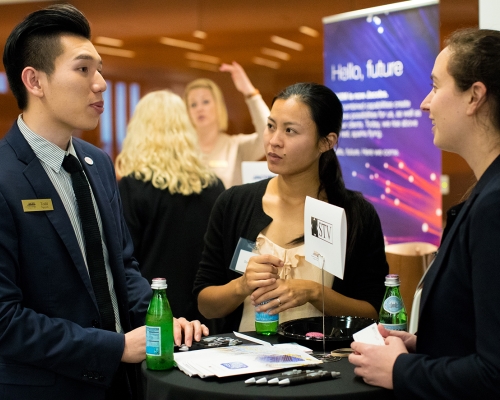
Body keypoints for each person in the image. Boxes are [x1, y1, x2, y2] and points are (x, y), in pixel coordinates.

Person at [0, 5, 207, 400]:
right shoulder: (5, 177)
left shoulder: (96, 163)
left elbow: (120, 268)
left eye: (100, 68)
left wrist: (161, 318)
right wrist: (114, 348)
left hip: (124, 384)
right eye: (83, 70)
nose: (101, 83)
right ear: (35, 81)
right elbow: (5, 321)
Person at [348, 28, 500, 399]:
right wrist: (423, 343)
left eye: (435, 85)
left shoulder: (494, 206)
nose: (425, 103)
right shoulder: (485, 195)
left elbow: (495, 374)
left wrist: (402, 370)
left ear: (474, 97)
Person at [193, 82, 388, 333]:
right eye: (271, 126)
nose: (274, 141)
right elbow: (205, 305)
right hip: (245, 364)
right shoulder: (234, 203)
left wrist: (315, 293)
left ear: (326, 142)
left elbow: (373, 313)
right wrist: (241, 285)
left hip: (325, 366)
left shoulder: (354, 214)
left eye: (290, 131)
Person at [115, 89, 225, 328]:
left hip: (154, 316)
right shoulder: (214, 186)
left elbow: (124, 261)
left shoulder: (132, 187)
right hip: (206, 316)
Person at [184, 62, 270, 188]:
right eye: (193, 104)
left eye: (205, 101)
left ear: (218, 105)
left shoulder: (236, 147)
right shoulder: (181, 149)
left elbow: (269, 134)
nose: (199, 108)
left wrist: (250, 92)